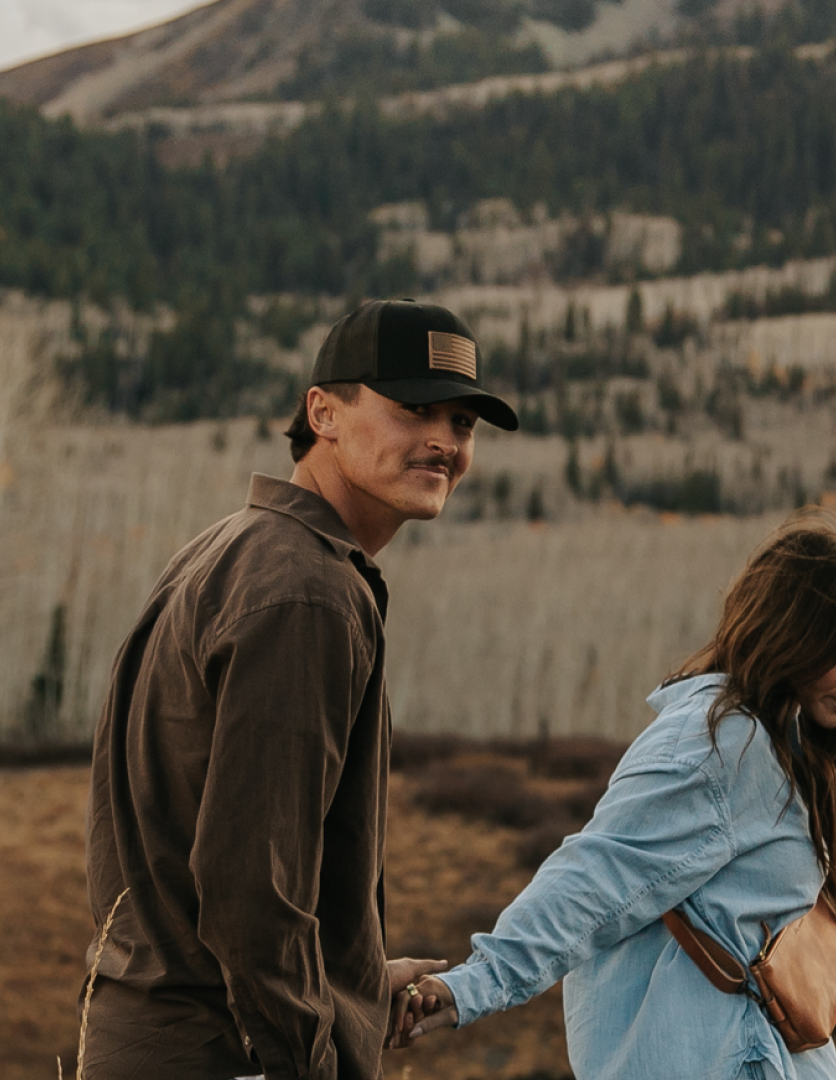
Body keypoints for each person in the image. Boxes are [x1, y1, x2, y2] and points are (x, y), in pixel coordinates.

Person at [81, 298, 518, 1080]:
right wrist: (310, 1053)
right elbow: (250, 887)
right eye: (414, 409)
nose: (443, 443)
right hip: (223, 1058)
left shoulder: (234, 550)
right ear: (323, 411)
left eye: (463, 423)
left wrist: (347, 984)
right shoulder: (306, 593)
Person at [394, 522, 836, 1080]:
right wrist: (471, 985)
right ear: (794, 632)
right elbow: (596, 875)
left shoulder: (772, 740)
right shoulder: (722, 745)